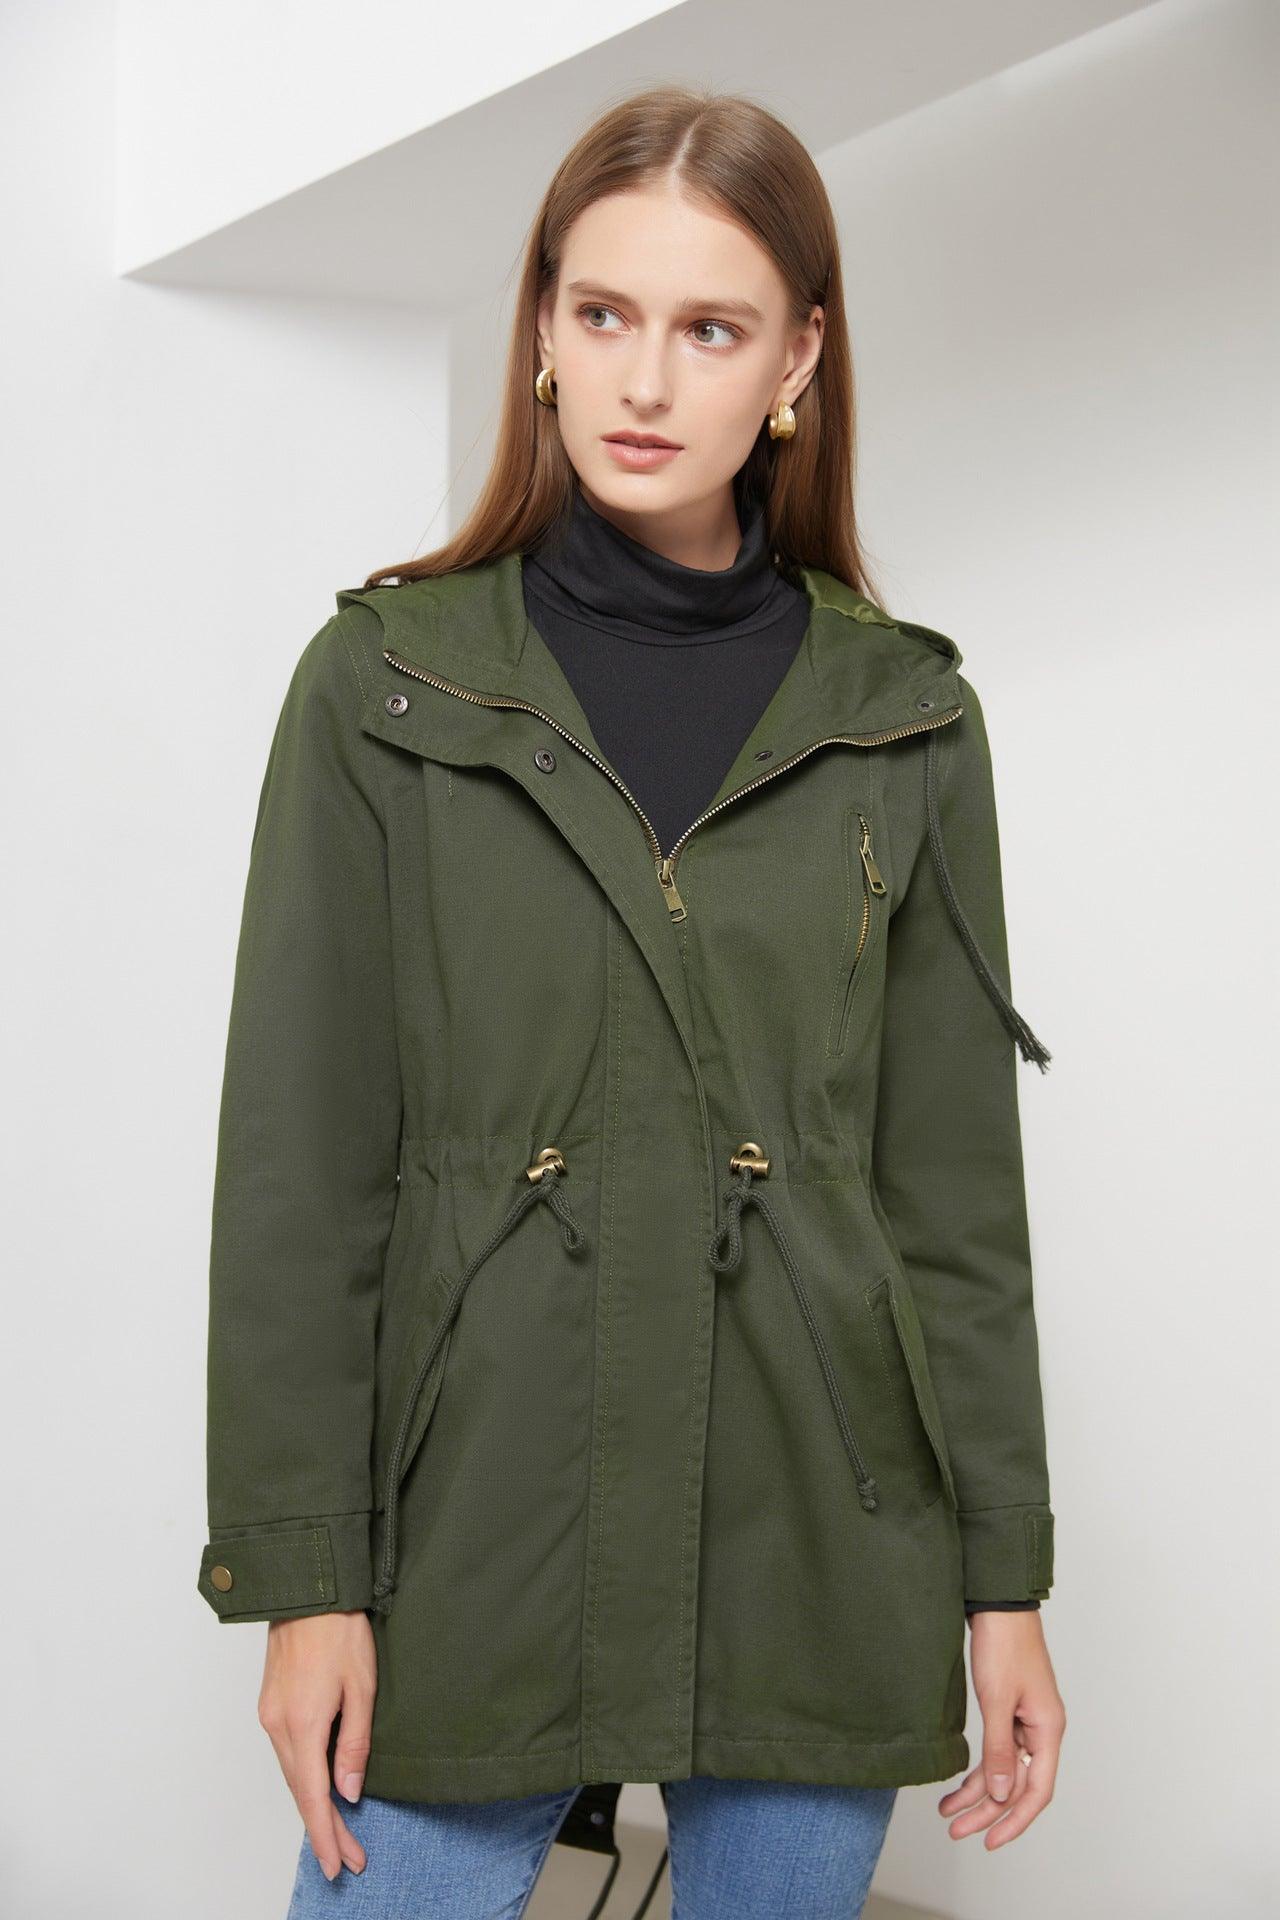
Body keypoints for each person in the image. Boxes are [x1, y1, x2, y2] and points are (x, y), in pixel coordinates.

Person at [197, 85, 1066, 1920]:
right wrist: (304, 1579)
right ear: (542, 326)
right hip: (472, 1518)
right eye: (602, 313)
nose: (644, 381)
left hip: (820, 1529)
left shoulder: (905, 717)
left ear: (799, 358)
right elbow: (300, 1176)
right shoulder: (385, 688)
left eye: (711, 328)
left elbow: (953, 1203)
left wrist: (1007, 1581)